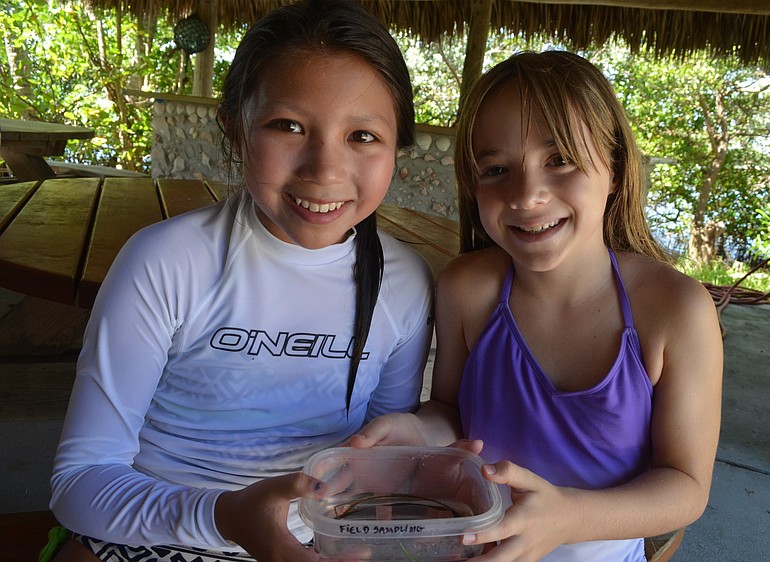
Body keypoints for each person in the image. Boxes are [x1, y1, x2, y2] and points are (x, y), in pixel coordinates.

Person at [48, 1, 433, 561]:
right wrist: (224, 517)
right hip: (152, 529)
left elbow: (378, 458)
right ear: (235, 127)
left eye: (363, 135)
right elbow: (81, 481)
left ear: (397, 144)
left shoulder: (402, 282)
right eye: (288, 126)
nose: (324, 170)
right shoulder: (168, 261)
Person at [351, 50, 724, 561]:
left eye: (559, 159)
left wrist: (570, 518)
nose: (526, 195)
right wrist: (419, 431)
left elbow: (685, 487)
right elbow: (451, 413)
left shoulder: (675, 310)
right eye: (497, 168)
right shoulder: (468, 288)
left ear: (614, 168)